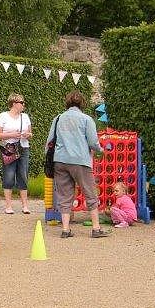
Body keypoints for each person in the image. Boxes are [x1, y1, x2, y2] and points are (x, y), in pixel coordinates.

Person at [47, 90, 109, 239]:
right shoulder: (87, 119)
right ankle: (96, 228)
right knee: (90, 193)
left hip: (60, 161)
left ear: (67, 103)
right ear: (82, 103)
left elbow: (49, 141)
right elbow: (93, 142)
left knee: (64, 195)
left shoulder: (58, 118)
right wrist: (101, 150)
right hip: (80, 161)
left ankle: (65, 229)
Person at [0, 92, 33, 214]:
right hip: (9, 149)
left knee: (23, 175)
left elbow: (30, 134)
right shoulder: (3, 116)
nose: (23, 104)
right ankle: (8, 206)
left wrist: (27, 135)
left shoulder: (25, 117)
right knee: (9, 175)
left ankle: (25, 205)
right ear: (14, 103)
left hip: (23, 148)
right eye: (21, 102)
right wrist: (12, 135)